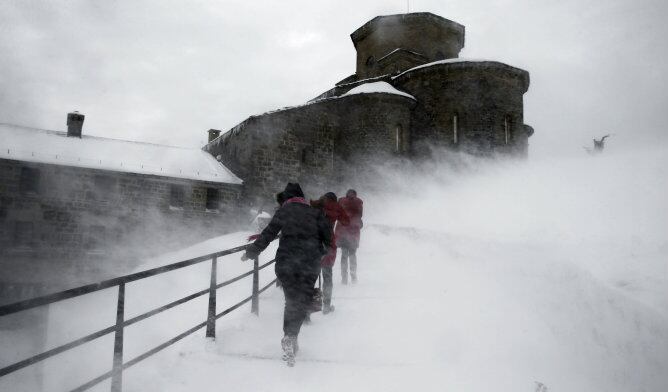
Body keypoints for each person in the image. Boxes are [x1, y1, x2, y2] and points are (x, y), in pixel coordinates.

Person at [242, 183, 331, 367]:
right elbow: (329, 239)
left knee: (291, 301)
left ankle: (289, 338)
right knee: (301, 302)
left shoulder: (285, 211)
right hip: (309, 264)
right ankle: (291, 337)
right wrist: (320, 252)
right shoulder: (315, 213)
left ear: (288, 198)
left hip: (287, 264)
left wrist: (251, 252)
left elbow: (267, 234)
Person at [310, 192, 349, 314]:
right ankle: (326, 306)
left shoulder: (315, 205)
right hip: (328, 244)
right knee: (327, 277)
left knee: (311, 277)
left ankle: (307, 308)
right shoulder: (337, 207)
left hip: (313, 243)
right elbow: (346, 221)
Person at [336, 189, 363, 284]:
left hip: (343, 232)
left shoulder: (341, 201)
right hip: (354, 232)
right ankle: (353, 276)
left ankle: (344, 278)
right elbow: (360, 216)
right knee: (352, 254)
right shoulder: (359, 202)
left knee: (344, 255)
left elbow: (337, 215)